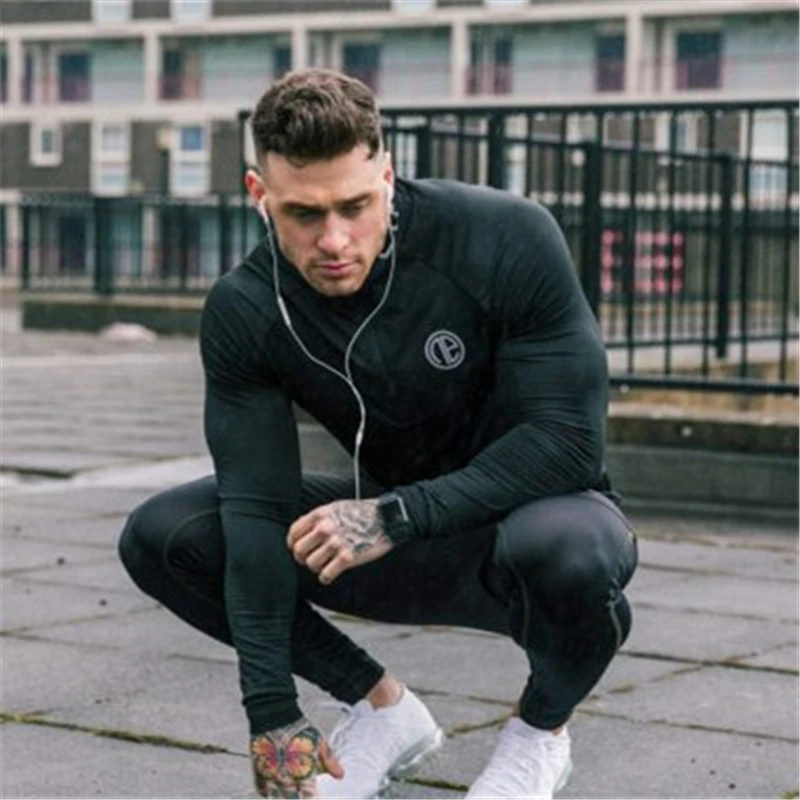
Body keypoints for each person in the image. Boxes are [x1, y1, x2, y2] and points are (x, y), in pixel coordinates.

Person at [119, 67, 638, 800]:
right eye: (303, 213)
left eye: (355, 206)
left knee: (570, 551)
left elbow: (567, 444)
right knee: (165, 535)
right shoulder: (246, 308)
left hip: (525, 529)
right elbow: (255, 510)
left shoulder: (503, 235)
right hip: (402, 546)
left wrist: (397, 514)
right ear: (258, 194)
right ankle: (382, 709)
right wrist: (272, 714)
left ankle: (537, 737)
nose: (333, 240)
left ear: (387, 177)